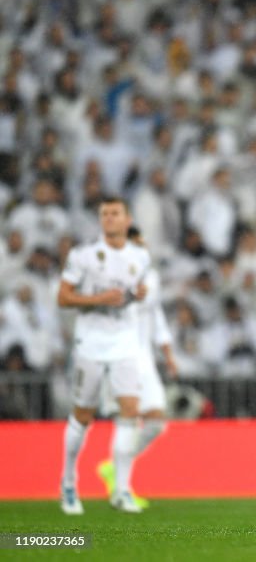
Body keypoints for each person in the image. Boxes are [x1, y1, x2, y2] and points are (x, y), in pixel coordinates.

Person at [58, 197, 152, 514]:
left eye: (115, 213)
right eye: (104, 214)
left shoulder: (140, 257)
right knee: (83, 414)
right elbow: (63, 297)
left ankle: (122, 490)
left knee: (130, 410)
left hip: (125, 338)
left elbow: (133, 294)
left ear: (127, 219)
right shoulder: (83, 255)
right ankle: (68, 484)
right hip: (92, 339)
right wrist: (99, 298)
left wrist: (136, 295)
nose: (109, 219)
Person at [97, 227, 178, 509]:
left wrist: (167, 353)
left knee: (156, 423)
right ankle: (122, 491)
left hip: (144, 358)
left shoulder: (150, 277)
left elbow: (156, 315)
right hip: (119, 357)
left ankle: (113, 468)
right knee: (127, 420)